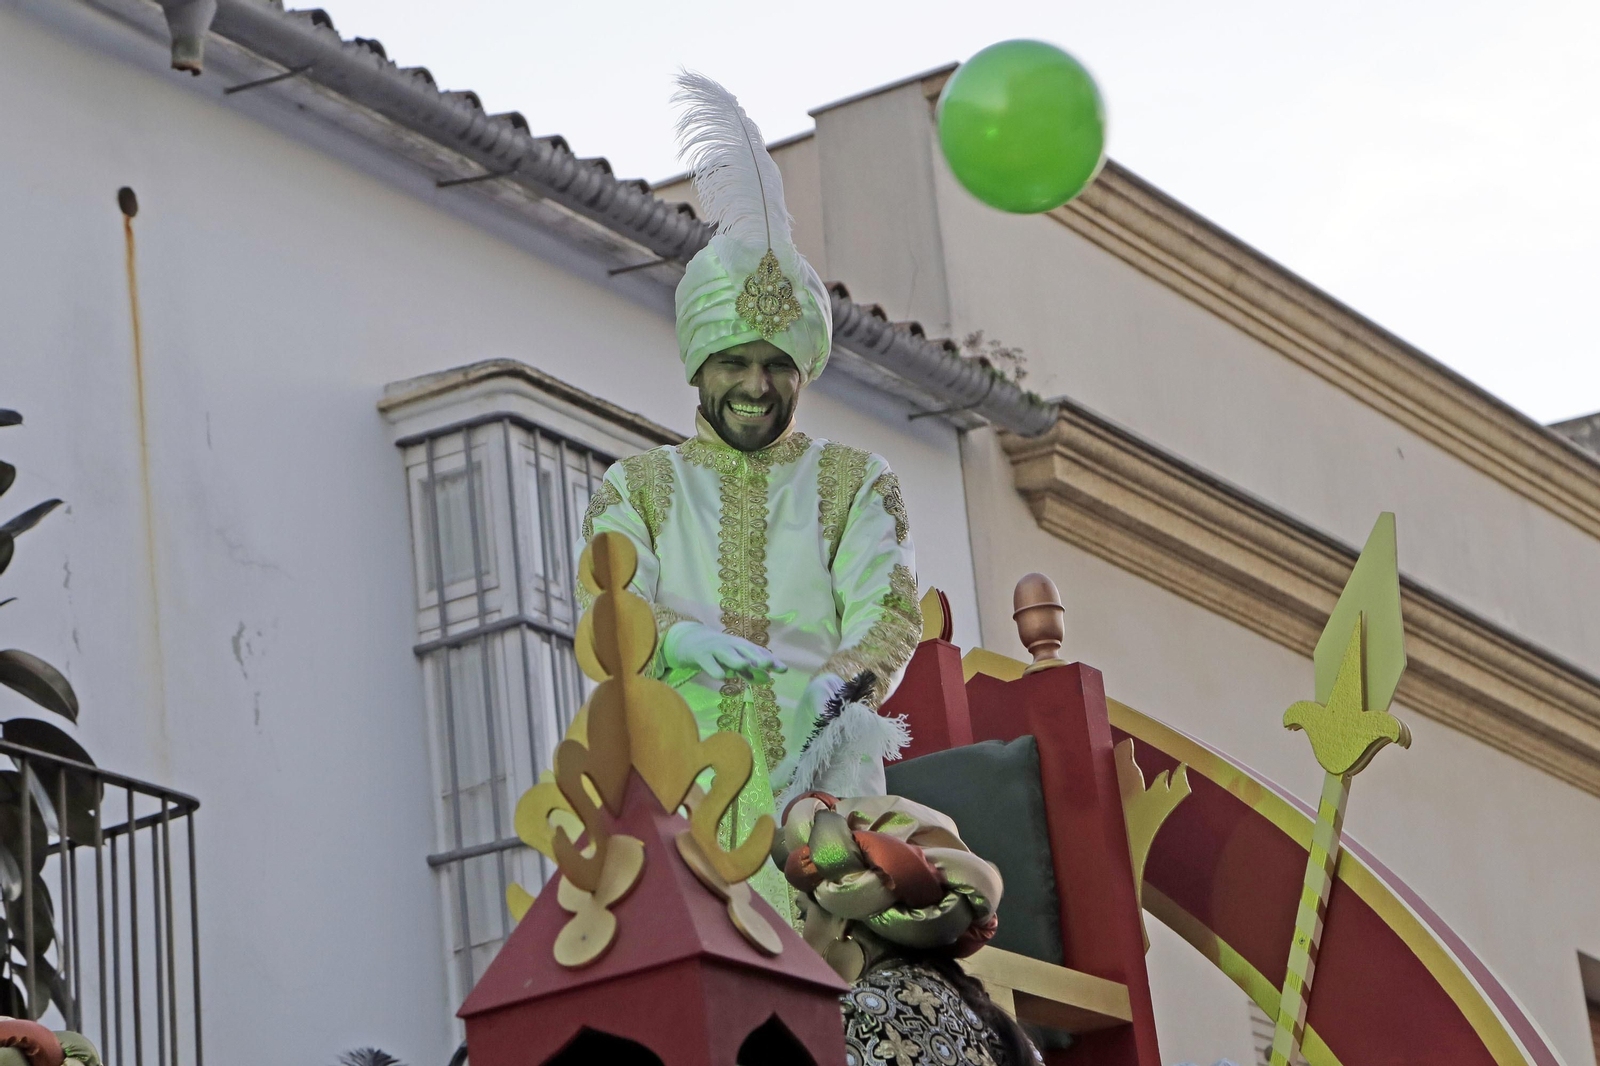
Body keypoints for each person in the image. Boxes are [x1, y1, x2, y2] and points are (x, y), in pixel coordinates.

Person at [580, 73, 920, 914]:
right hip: (680, 791)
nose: (756, 386)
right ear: (700, 368)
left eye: (778, 365)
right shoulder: (641, 487)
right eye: (735, 362)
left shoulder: (854, 482)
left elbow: (891, 614)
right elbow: (605, 612)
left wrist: (829, 694)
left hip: (831, 799)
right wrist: (682, 642)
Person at [773, 792, 1040, 1066]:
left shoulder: (845, 1022)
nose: (801, 939)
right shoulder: (996, 1030)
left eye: (804, 915)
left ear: (843, 918)